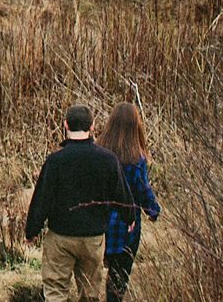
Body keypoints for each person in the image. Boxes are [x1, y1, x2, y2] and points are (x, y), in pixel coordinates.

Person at [24, 103, 133, 302]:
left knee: (56, 292)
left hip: (60, 237)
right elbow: (121, 194)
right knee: (90, 294)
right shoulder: (107, 159)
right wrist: (130, 217)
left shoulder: (55, 161)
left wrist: (32, 230)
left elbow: (42, 198)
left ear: (65, 125)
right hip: (93, 239)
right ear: (92, 126)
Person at [100, 102, 162, 302]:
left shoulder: (99, 152)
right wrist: (153, 211)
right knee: (119, 277)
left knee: (92, 274)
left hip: (98, 221)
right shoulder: (136, 159)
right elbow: (142, 189)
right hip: (126, 225)